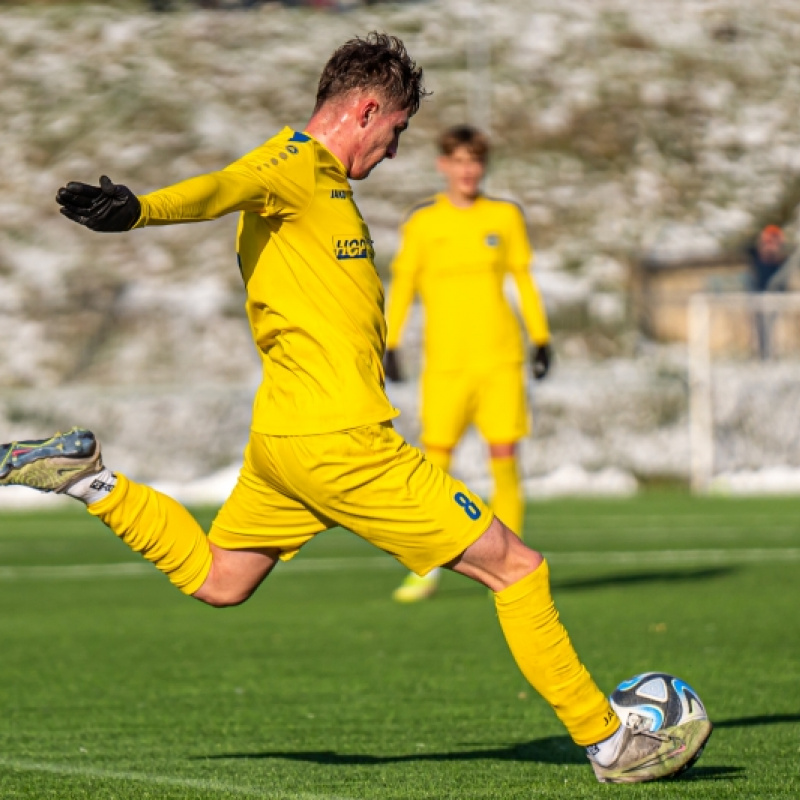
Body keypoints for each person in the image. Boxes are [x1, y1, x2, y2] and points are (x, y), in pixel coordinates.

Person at [0, 33, 709, 784]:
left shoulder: (323, 186)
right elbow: (221, 187)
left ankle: (88, 480)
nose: (395, 151)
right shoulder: (293, 165)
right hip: (341, 442)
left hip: (286, 438)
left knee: (220, 579)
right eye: (396, 131)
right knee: (518, 568)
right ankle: (609, 741)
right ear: (367, 110)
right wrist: (139, 209)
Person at [384, 125, 551, 604]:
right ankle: (425, 568)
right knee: (434, 470)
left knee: (505, 460)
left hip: (500, 359)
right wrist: (390, 343)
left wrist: (541, 338)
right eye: (459, 161)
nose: (467, 170)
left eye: (475, 161)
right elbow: (404, 286)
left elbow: (523, 279)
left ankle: (512, 569)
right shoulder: (422, 223)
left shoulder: (505, 216)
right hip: (446, 364)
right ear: (443, 165)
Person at [747, 224, 791, 360]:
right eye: (769, 240)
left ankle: (774, 355)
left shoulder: (783, 261)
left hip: (777, 300)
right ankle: (762, 356)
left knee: (775, 329)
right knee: (760, 330)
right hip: (758, 299)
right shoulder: (756, 255)